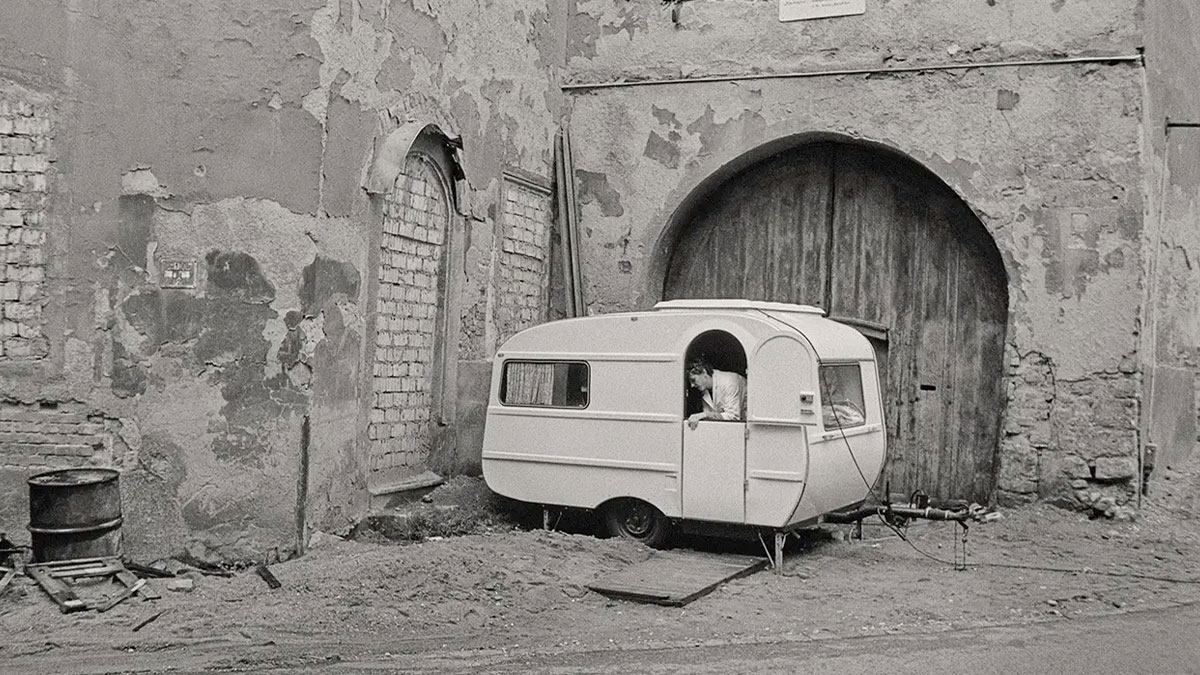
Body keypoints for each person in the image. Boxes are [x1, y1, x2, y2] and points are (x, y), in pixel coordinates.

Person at [685, 357, 747, 429]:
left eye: (693, 380)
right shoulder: (704, 389)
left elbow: (733, 417)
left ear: (704, 372)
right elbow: (711, 418)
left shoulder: (729, 382)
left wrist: (704, 415)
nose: (692, 385)